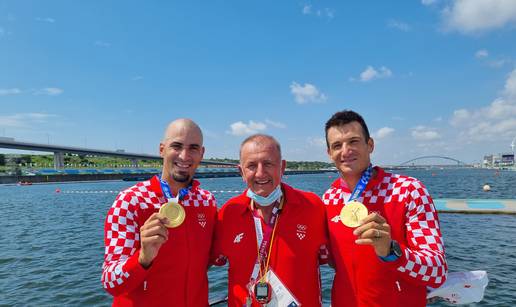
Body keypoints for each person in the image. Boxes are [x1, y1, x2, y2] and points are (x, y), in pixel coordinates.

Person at [322, 110, 447, 307]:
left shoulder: (409, 190)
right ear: (330, 154)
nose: (346, 151)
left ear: (370, 145)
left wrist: (390, 250)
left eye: (353, 141)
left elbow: (437, 272)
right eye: (337, 145)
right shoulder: (329, 198)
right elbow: (329, 257)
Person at [101, 119, 217, 306]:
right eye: (176, 146)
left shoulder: (206, 201)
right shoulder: (130, 201)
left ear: (201, 153)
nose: (184, 155)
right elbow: (110, 282)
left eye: (193, 148)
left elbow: (211, 257)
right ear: (162, 149)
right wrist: (143, 258)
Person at [212, 134, 328, 307]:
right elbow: (210, 261)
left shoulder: (313, 207)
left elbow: (337, 259)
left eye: (268, 164)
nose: (260, 173)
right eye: (251, 165)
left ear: (282, 167)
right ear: (241, 172)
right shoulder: (228, 213)